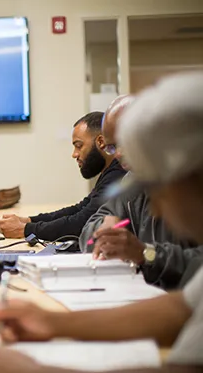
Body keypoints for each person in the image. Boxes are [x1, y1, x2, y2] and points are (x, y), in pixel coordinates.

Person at [0, 73, 203, 373]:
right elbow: (179, 309)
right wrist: (53, 322)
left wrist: (38, 370)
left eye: (160, 186)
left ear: (191, 173)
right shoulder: (134, 179)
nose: (154, 206)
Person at [79, 95, 202, 290]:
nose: (118, 153)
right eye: (112, 146)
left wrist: (146, 253)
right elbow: (88, 230)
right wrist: (102, 231)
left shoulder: (191, 182)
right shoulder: (133, 181)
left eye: (125, 142)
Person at [0, 111, 126, 241]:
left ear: (101, 142)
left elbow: (82, 223)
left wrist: (26, 229)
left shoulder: (118, 175)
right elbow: (79, 209)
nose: (74, 154)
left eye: (79, 146)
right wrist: (29, 221)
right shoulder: (109, 173)